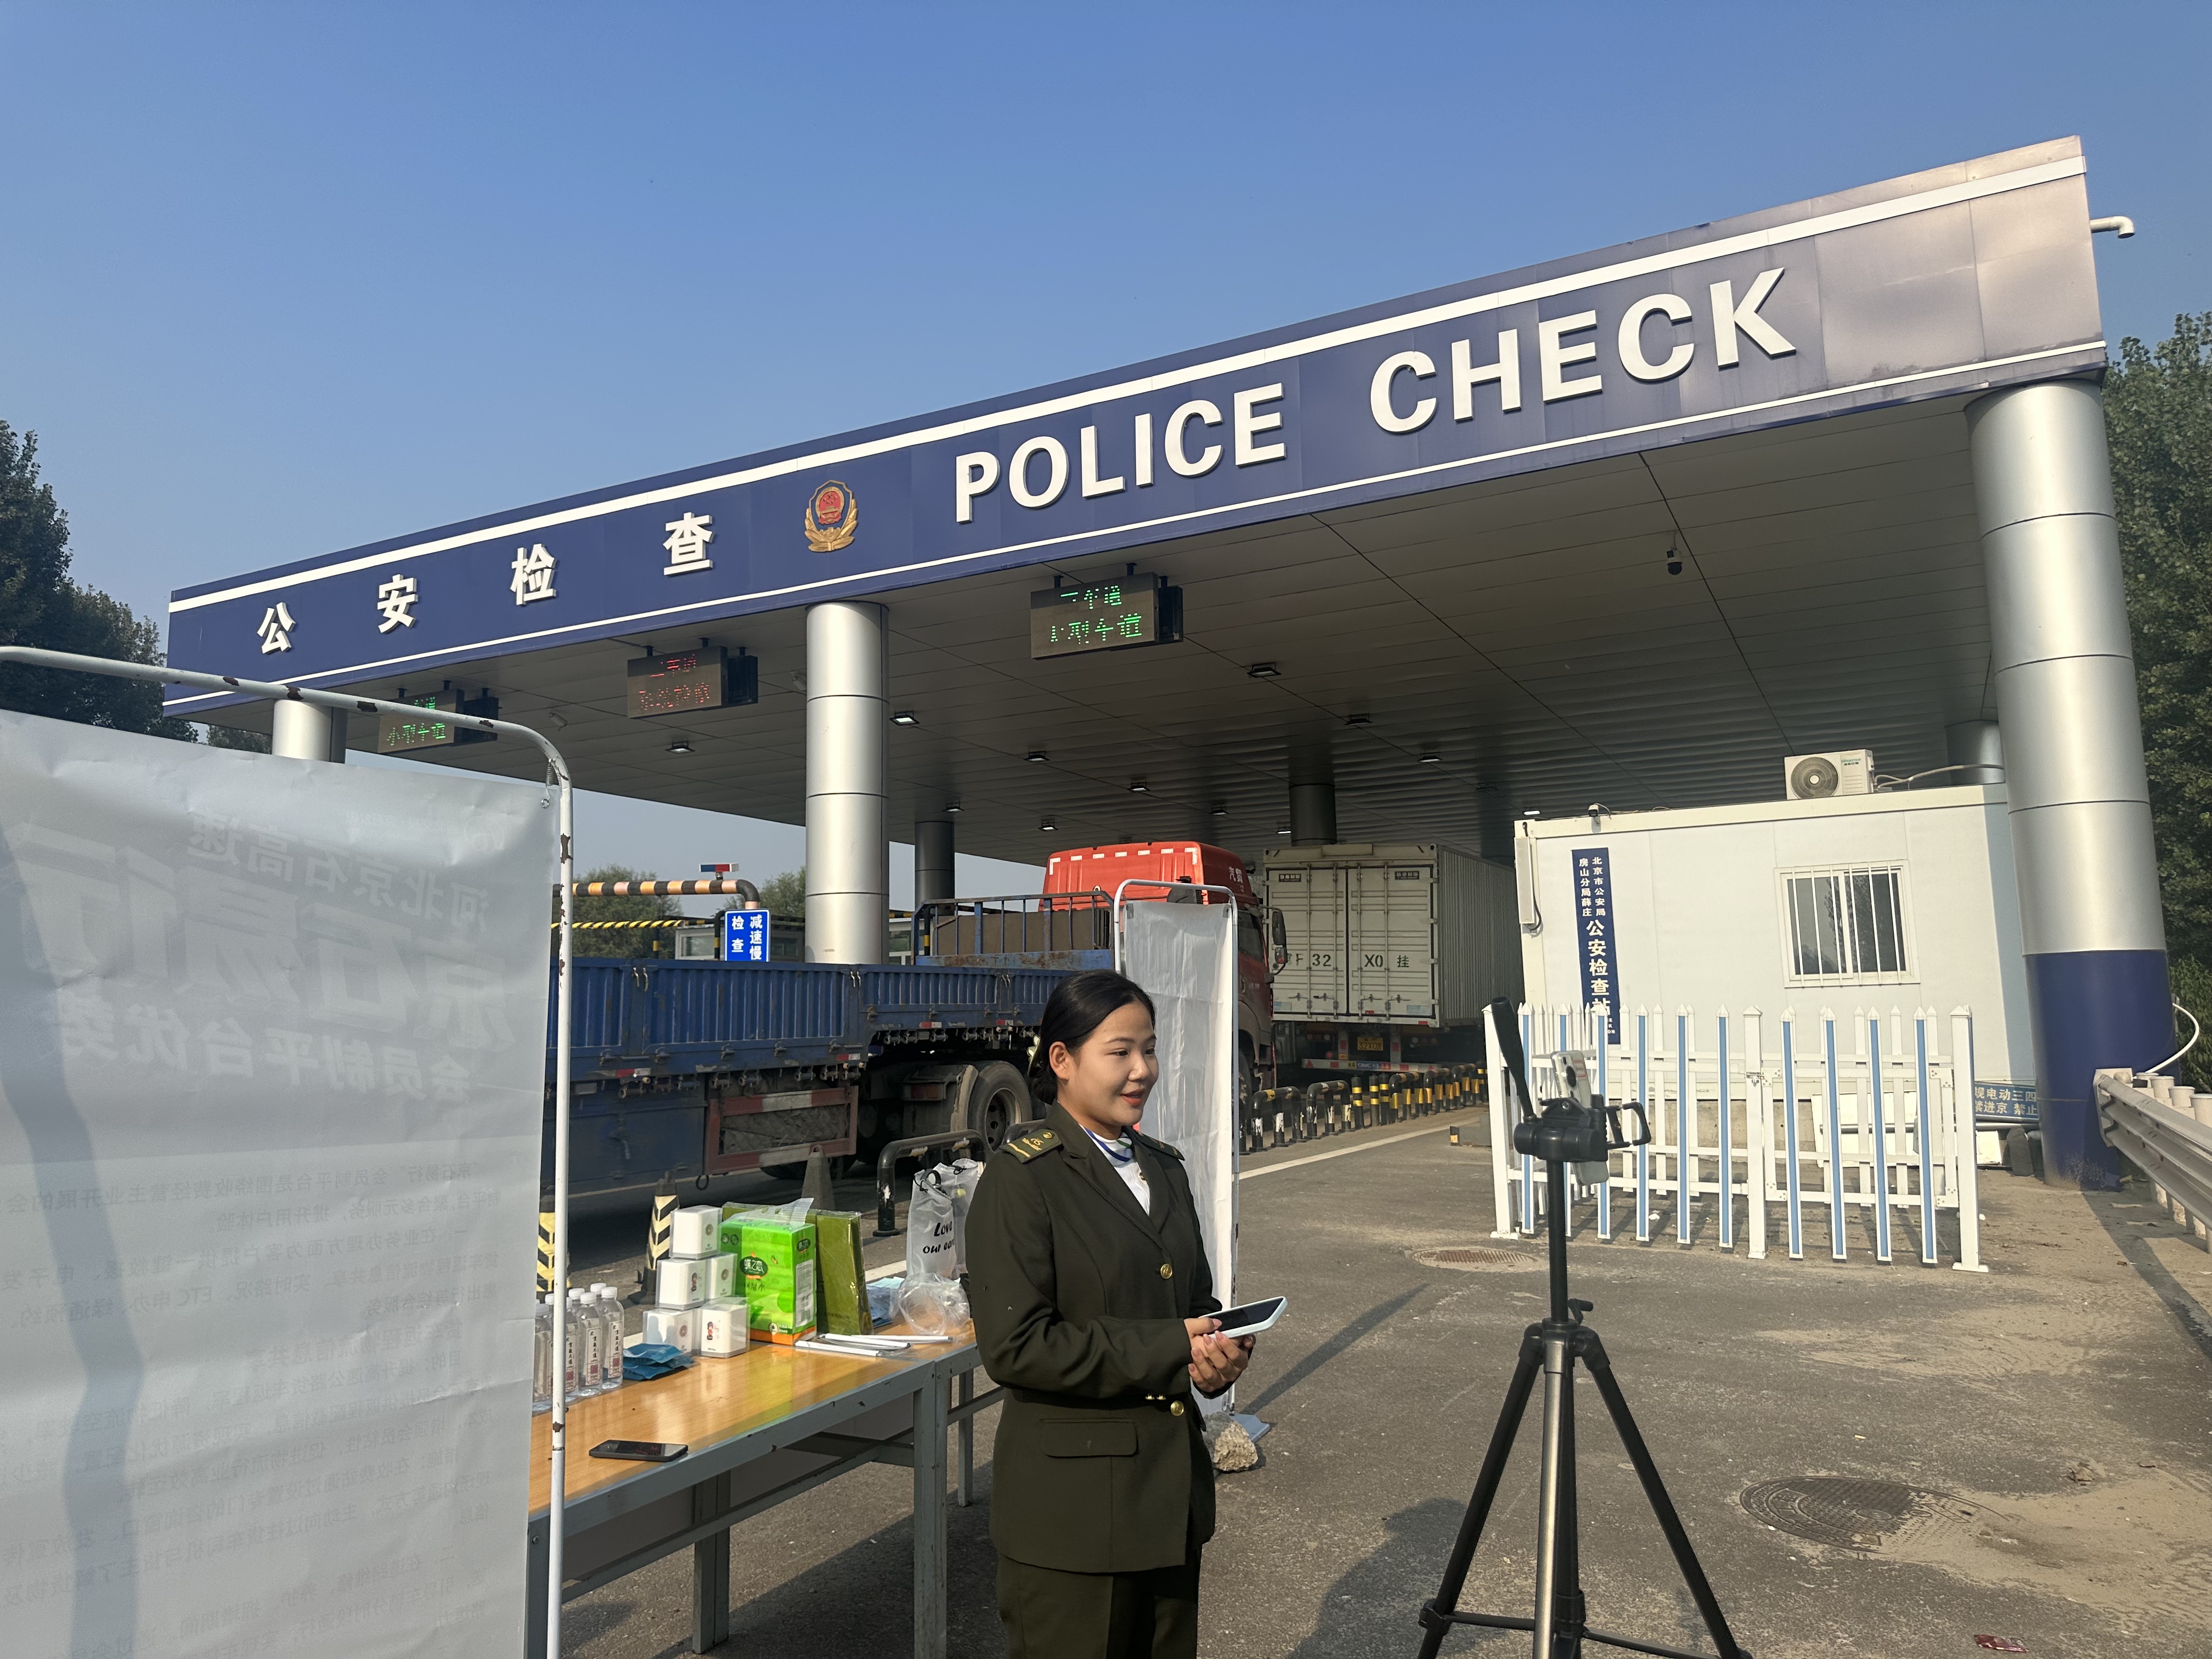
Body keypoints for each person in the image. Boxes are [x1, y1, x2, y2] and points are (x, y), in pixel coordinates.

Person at [966, 968, 1254, 1659]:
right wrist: (1170, 1346)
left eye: (1149, 1049)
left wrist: (1216, 1356)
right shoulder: (1023, 1178)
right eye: (1119, 1052)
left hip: (1168, 1502)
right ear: (1062, 1061)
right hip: (1075, 1519)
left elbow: (1195, 1303)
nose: (1142, 1070)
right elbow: (1017, 1347)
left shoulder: (1165, 1168)